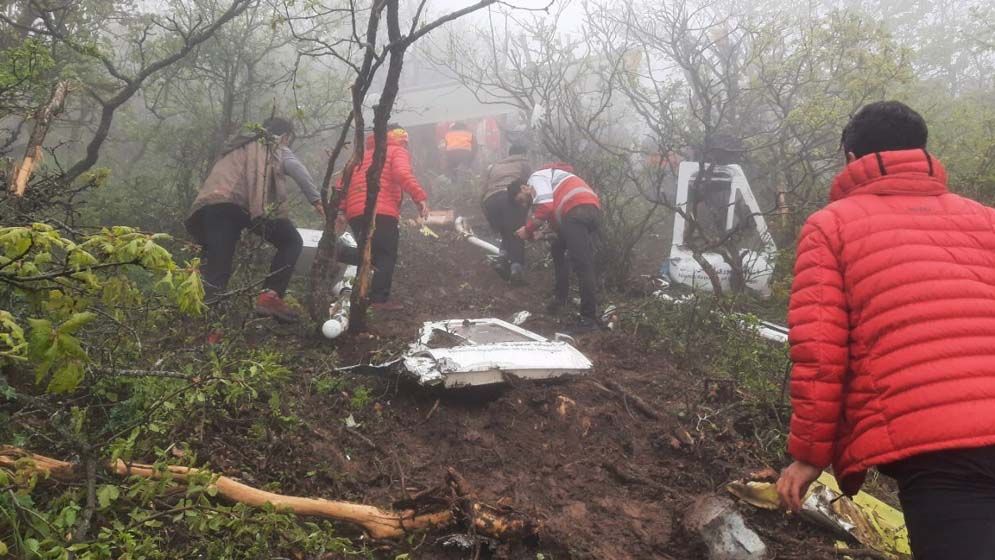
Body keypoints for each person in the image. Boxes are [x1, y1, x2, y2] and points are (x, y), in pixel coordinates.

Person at [776, 101, 995, 559]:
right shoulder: (985, 220)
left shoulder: (831, 227)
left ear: (852, 158)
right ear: (920, 151)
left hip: (939, 446)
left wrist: (809, 456)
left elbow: (820, 351)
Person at [186, 117, 324, 323]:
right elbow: (297, 170)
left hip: (210, 206)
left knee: (217, 268)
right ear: (284, 136)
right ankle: (270, 296)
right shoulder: (272, 144)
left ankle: (205, 326)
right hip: (239, 205)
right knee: (291, 241)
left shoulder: (237, 145)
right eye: (288, 139)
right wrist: (318, 201)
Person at [337, 124, 429, 310]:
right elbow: (401, 173)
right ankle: (378, 300)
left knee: (369, 254)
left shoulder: (360, 156)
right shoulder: (396, 150)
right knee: (386, 255)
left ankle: (340, 254)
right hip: (382, 211)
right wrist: (420, 197)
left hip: (355, 213)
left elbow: (342, 184)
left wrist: (341, 210)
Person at [510, 163, 602, 331]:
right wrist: (541, 234)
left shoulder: (535, 178)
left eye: (522, 200)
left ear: (524, 187)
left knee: (582, 264)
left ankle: (589, 320)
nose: (525, 206)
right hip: (587, 209)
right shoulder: (552, 183)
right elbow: (558, 224)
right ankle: (560, 298)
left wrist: (527, 229)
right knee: (558, 248)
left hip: (577, 209)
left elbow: (546, 207)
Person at [480, 144, 532, 284]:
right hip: (509, 197)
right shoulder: (524, 164)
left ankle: (502, 259)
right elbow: (529, 187)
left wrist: (486, 211)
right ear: (523, 153)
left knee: (506, 232)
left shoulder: (495, 166)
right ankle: (516, 270)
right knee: (517, 232)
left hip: (489, 200)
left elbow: (483, 188)